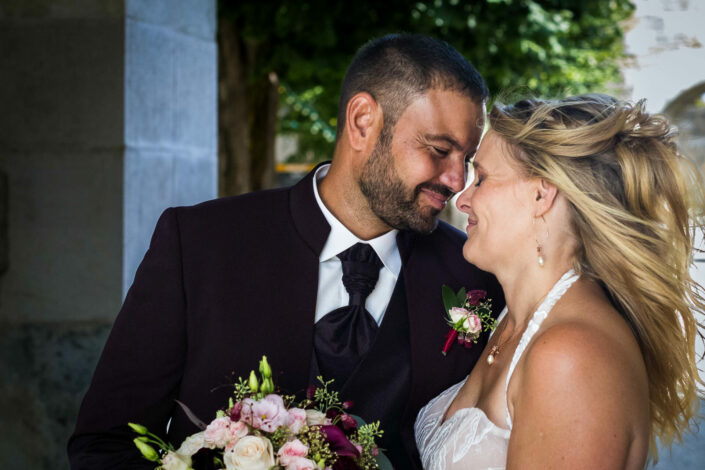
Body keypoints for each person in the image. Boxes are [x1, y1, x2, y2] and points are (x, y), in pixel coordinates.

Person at [68, 34, 504, 470]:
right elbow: (105, 446)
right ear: (363, 121)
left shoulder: (475, 275)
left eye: (466, 159)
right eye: (440, 150)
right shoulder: (199, 243)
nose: (455, 180)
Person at [415, 93, 705, 469]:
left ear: (541, 194)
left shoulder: (571, 356)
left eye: (482, 178)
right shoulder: (510, 318)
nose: (463, 198)